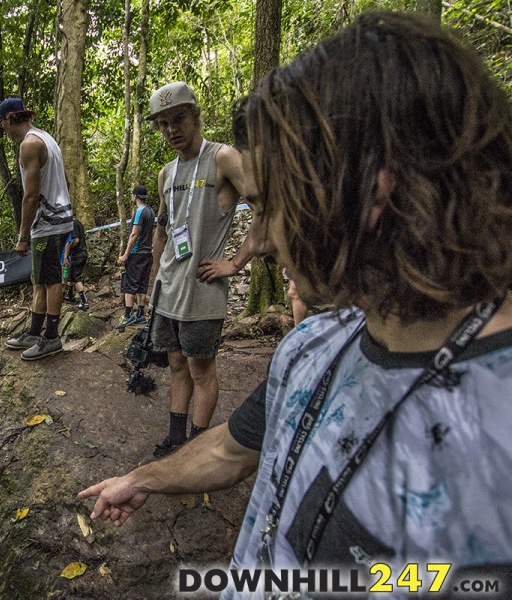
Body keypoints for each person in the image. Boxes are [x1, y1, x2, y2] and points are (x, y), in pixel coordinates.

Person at [80, 12, 512, 593]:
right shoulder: (311, 345)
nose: (256, 240)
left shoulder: (496, 435)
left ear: (373, 190)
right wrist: (142, 479)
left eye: (270, 206)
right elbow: (236, 450)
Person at [142, 81, 257, 462]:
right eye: (163, 123)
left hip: (203, 287)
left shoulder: (223, 157)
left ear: (195, 115)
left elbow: (267, 206)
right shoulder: (165, 173)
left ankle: (198, 448)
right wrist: (153, 282)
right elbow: (162, 231)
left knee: (200, 369)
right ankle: (177, 442)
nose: (171, 129)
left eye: (178, 119)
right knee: (176, 363)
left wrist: (236, 262)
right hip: (169, 289)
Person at [0, 97, 74, 361]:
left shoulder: (30, 144)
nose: (2, 129)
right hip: (55, 220)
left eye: (1, 123)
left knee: (51, 280)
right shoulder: (46, 138)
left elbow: (30, 195)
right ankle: (33, 332)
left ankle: (51, 337)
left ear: (9, 119)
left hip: (49, 223)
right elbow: (64, 179)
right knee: (38, 279)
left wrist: (22, 236)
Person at [116, 184, 155, 326]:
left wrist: (126, 254)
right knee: (142, 283)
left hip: (137, 253)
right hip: (147, 253)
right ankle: (140, 313)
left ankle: (127, 315)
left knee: (130, 283)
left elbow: (134, 234)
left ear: (135, 196)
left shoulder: (140, 211)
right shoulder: (151, 211)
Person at [62, 218, 89, 310]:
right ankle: (70, 296)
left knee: (76, 278)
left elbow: (75, 240)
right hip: (81, 253)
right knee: (71, 275)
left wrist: (67, 250)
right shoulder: (78, 222)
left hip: (78, 254)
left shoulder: (72, 224)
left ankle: (84, 302)